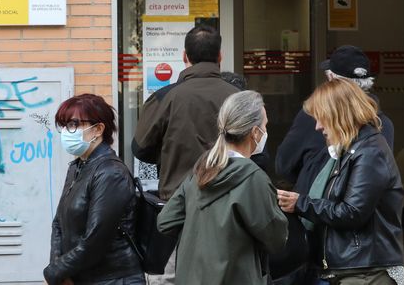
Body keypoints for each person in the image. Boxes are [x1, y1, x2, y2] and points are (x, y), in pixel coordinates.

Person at [275, 46, 396, 284]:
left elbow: (352, 210)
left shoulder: (368, 149)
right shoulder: (379, 129)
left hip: (350, 261)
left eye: (321, 119)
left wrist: (301, 201)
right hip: (338, 255)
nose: (318, 127)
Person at [132, 25, 239, 284]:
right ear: (220, 57)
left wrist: (168, 153)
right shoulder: (239, 98)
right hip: (230, 207)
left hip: (178, 207)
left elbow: (140, 148)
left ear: (184, 57)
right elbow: (256, 151)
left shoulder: (165, 97)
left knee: (173, 276)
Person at [157, 90, 288, 285]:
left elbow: (165, 221)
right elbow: (276, 238)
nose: (265, 132)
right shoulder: (253, 178)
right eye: (264, 126)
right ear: (254, 132)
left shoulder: (200, 171)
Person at [44, 94, 145, 285]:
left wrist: (53, 272)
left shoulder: (111, 173)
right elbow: (59, 223)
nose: (67, 131)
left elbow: (95, 240)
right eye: (64, 125)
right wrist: (60, 271)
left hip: (113, 279)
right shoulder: (77, 167)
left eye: (73, 124)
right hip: (81, 276)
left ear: (98, 129)